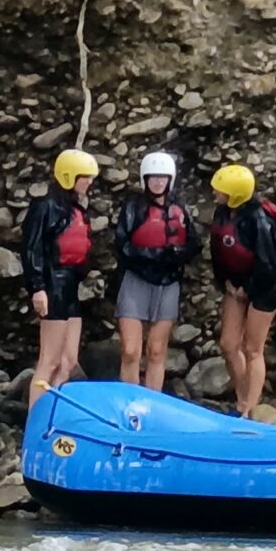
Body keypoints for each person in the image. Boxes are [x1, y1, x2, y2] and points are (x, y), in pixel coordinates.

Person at [114, 150, 197, 392]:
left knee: (157, 350)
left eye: (163, 178)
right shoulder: (133, 207)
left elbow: (194, 243)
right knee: (130, 350)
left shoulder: (179, 208)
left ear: (170, 180)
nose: (158, 182)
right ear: (145, 179)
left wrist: (177, 254)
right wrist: (150, 256)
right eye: (153, 178)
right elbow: (122, 244)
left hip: (168, 281)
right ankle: (128, 401)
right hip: (136, 279)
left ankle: (151, 403)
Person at [21, 147, 98, 405]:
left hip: (70, 287)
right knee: (49, 361)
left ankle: (52, 415)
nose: (89, 181)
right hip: (52, 284)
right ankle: (35, 421)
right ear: (68, 176)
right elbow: (31, 249)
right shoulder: (45, 207)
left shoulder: (75, 209)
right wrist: (37, 287)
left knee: (68, 362)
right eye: (83, 176)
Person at [209, 161, 276, 419]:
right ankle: (243, 400)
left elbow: (269, 266)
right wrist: (227, 283)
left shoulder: (259, 220)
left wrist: (248, 289)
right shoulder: (222, 213)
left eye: (220, 190)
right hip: (236, 284)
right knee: (229, 344)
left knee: (253, 349)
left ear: (235, 194)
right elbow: (217, 252)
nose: (214, 194)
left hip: (261, 288)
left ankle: (250, 409)